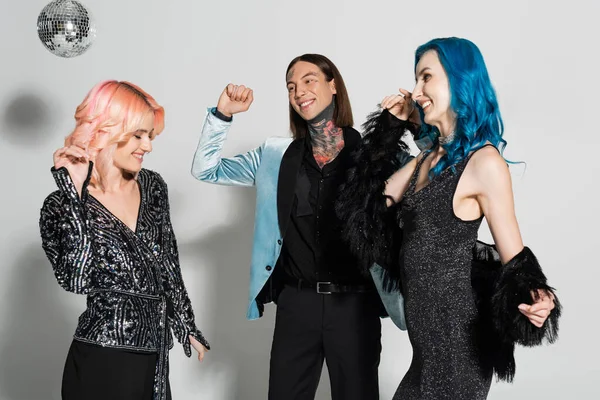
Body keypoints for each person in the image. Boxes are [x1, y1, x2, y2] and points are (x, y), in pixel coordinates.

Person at [336, 37, 561, 399]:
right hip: (424, 356)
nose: (415, 90)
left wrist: (538, 299)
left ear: (460, 81)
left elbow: (515, 261)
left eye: (426, 78)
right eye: (415, 79)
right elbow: (360, 211)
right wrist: (389, 129)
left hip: (459, 355)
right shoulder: (426, 160)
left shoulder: (483, 163)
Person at [191, 54, 385, 399]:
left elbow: (426, 176)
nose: (299, 92)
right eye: (291, 87)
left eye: (309, 80)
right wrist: (222, 116)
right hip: (297, 304)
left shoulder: (372, 153)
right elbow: (206, 169)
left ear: (333, 85)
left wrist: (412, 124)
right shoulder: (275, 156)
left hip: (355, 306)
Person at [39, 80, 209, 400]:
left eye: (150, 136)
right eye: (138, 135)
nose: (148, 146)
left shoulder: (152, 186)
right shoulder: (61, 205)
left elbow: (166, 261)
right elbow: (76, 280)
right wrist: (74, 198)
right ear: (107, 131)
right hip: (102, 358)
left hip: (154, 356)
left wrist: (185, 324)